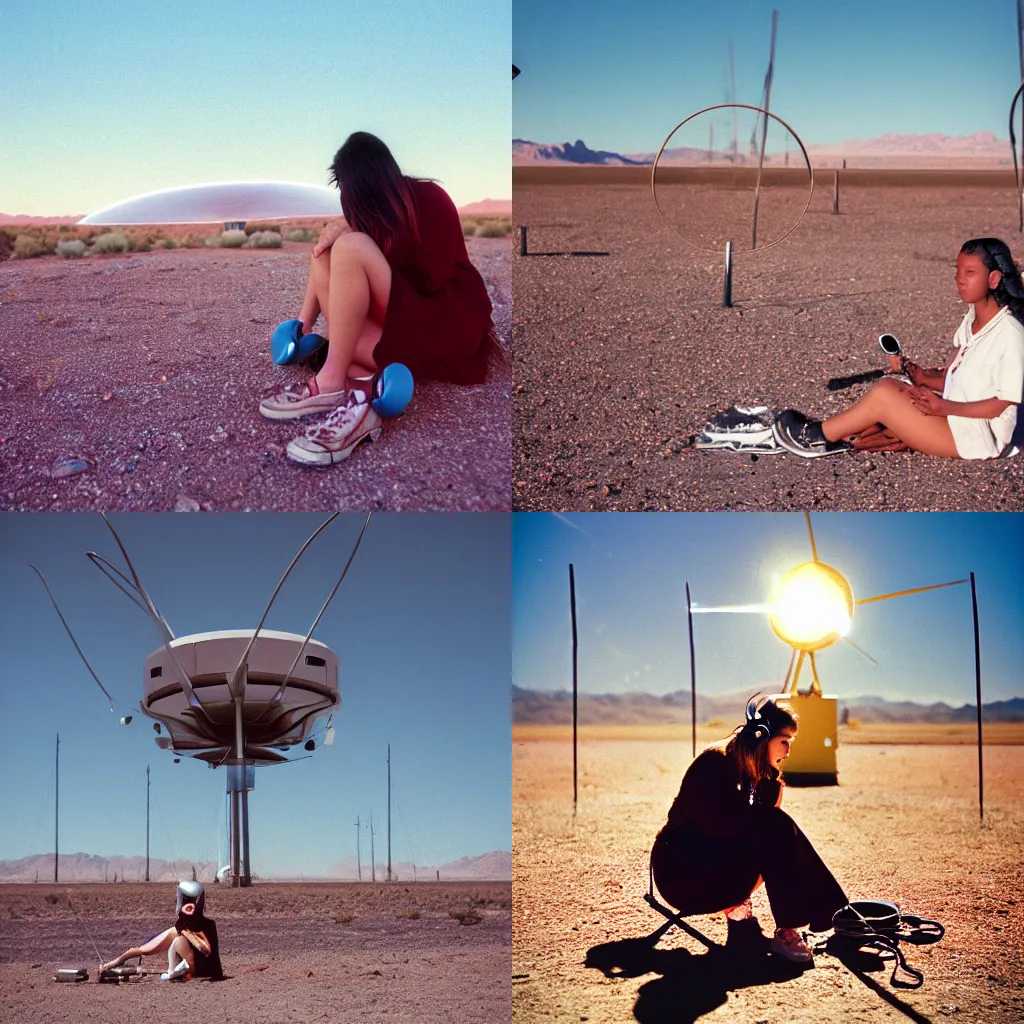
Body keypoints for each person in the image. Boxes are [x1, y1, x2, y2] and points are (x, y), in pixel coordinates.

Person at [259, 131, 501, 466]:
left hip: (447, 322)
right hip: (403, 318)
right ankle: (357, 383)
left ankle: (333, 382)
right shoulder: (363, 208)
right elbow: (338, 258)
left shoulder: (430, 199)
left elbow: (432, 280)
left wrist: (365, 241)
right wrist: (302, 324)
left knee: (351, 246)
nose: (351, 200)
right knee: (327, 249)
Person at [773, 238, 1024, 458]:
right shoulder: (973, 320)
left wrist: (945, 408)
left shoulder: (1010, 332)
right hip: (958, 420)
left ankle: (816, 438)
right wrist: (923, 378)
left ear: (993, 278)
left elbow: (1004, 401)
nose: (960, 279)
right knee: (892, 397)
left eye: (970, 272)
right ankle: (838, 434)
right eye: (957, 270)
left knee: (885, 393)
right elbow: (960, 380)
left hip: (978, 439)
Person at [650, 698, 847, 964]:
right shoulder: (715, 763)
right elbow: (721, 827)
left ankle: (837, 915)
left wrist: (772, 781)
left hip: (709, 866)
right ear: (761, 736)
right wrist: (766, 819)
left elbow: (755, 823)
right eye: (784, 741)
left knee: (775, 825)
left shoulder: (751, 767)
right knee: (775, 826)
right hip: (681, 876)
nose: (788, 751)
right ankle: (794, 927)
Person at [99, 880, 223, 981]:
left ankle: (171, 972)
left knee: (178, 940)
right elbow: (144, 949)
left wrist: (184, 932)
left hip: (201, 972)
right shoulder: (180, 927)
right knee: (171, 940)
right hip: (191, 969)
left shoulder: (206, 926)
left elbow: (205, 950)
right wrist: (111, 964)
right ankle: (110, 966)